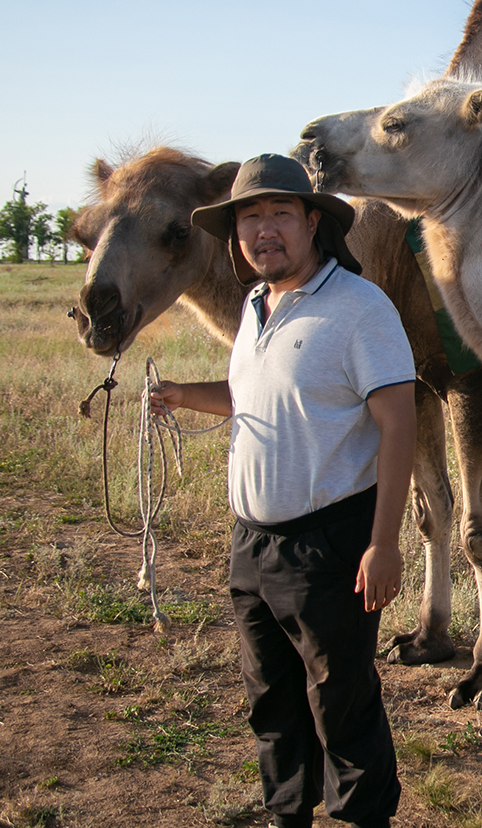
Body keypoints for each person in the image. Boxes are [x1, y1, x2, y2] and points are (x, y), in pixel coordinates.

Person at [149, 154, 416, 828]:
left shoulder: (360, 309)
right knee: (271, 702)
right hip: (252, 545)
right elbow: (251, 394)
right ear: (235, 235)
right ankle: (286, 813)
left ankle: (364, 819)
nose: (263, 230)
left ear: (314, 224)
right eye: (248, 218)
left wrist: (383, 544)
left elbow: (399, 424)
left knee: (342, 702)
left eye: (278, 214)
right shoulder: (255, 306)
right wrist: (182, 394)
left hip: (331, 544)